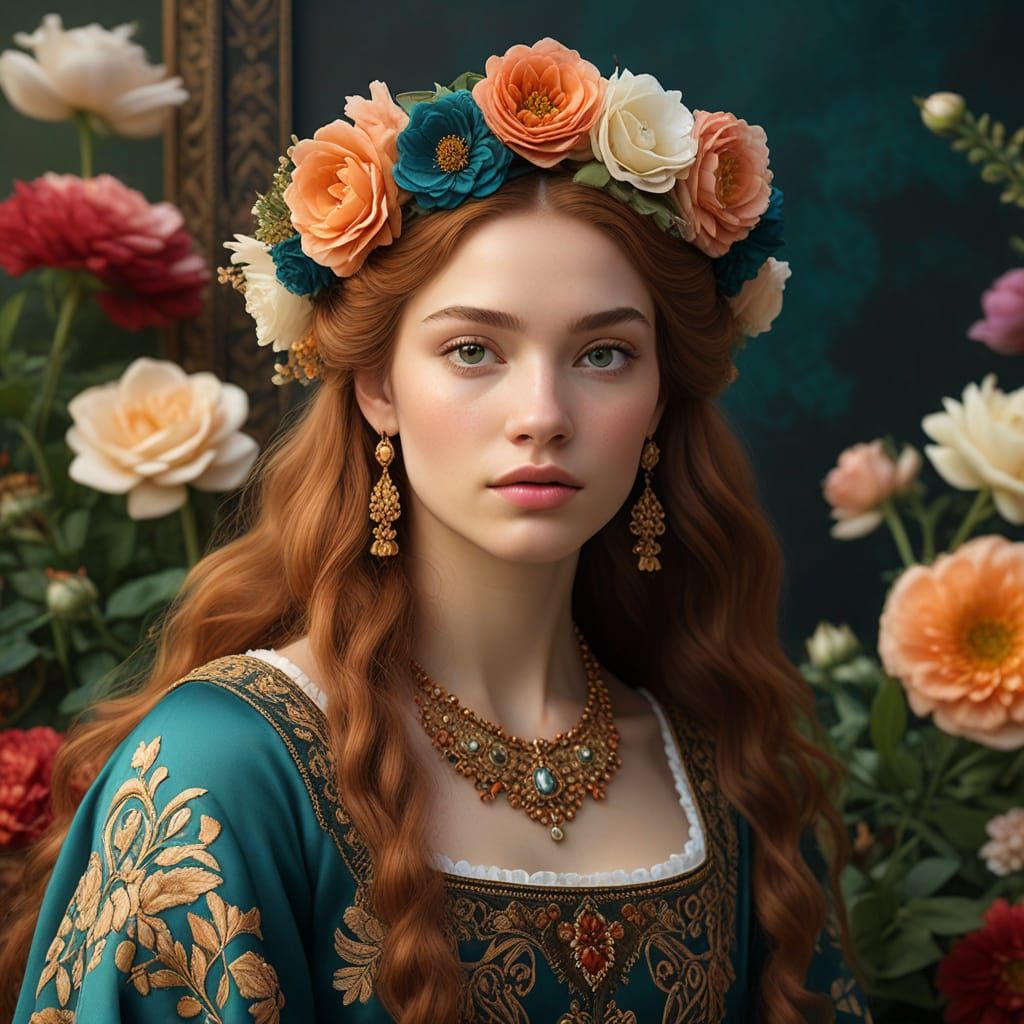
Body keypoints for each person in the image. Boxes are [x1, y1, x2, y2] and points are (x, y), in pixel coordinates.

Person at [1, 37, 873, 1024]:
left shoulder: (720, 772)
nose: (541, 411)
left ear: (659, 398)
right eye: (473, 349)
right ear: (377, 385)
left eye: (602, 354)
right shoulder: (230, 762)